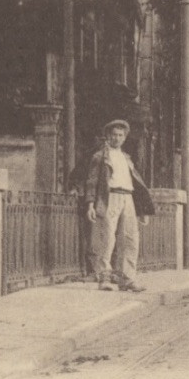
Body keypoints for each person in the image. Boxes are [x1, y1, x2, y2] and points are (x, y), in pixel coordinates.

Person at [78, 119, 153, 293]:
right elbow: (91, 182)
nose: (117, 138)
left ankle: (127, 279)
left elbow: (136, 183)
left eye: (120, 135)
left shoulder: (127, 158)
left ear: (124, 138)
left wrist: (142, 210)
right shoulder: (100, 156)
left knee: (130, 239)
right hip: (108, 197)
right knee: (106, 239)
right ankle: (104, 278)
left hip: (128, 199)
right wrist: (90, 205)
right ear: (107, 136)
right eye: (114, 135)